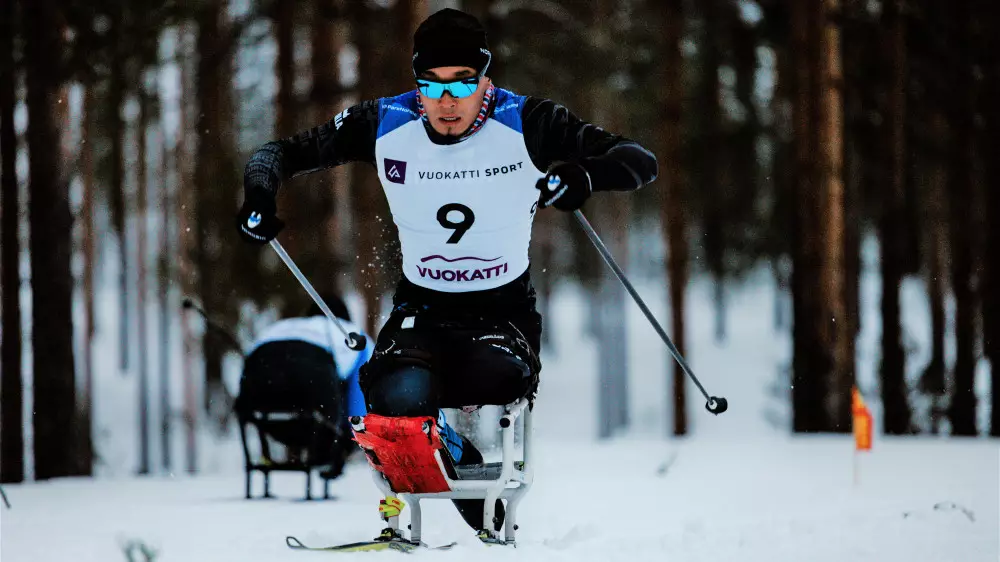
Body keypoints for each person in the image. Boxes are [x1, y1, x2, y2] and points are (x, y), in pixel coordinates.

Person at [236, 8, 656, 534]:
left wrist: (585, 176)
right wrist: (259, 194)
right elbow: (276, 154)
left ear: (486, 78)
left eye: (463, 82)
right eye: (431, 85)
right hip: (423, 307)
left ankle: (481, 505)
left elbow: (640, 160)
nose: (447, 101)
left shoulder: (528, 120)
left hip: (502, 310)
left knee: (493, 378)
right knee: (393, 399)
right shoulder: (384, 120)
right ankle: (446, 472)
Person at [236, 293, 371, 475]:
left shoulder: (281, 327)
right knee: (328, 404)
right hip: (313, 396)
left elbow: (249, 365)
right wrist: (352, 437)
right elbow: (360, 392)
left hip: (262, 400)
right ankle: (327, 457)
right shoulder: (351, 334)